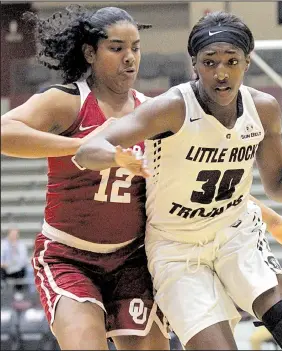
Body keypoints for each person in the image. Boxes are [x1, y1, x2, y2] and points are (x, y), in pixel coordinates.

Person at [75, 11, 282, 351]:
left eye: (232, 61)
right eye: (209, 61)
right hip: (177, 250)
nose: (221, 72)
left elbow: (279, 181)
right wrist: (116, 156)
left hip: (236, 236)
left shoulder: (263, 108)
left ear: (248, 61)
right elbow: (88, 149)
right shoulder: (171, 108)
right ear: (194, 64)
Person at [1, 6, 167, 350]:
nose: (129, 58)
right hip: (69, 257)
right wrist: (80, 144)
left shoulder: (153, 112)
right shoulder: (67, 102)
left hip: (133, 260)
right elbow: (4, 131)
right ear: (90, 52)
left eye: (135, 47)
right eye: (117, 47)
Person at [1, 228, 29, 292]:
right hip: (6, 268)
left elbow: (23, 259)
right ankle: (2, 290)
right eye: (12, 234)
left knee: (22, 270)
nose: (14, 236)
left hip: (17, 268)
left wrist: (17, 265)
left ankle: (19, 291)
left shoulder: (22, 245)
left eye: (15, 234)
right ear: (8, 234)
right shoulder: (3, 244)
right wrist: (3, 264)